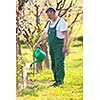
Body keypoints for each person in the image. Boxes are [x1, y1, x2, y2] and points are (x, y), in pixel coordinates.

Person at [34, 7, 69, 86]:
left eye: (50, 15)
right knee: (53, 63)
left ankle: (60, 81)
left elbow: (66, 34)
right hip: (52, 46)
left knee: (59, 63)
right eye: (48, 16)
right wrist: (38, 42)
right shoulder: (50, 22)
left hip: (59, 46)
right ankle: (56, 80)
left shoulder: (61, 22)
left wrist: (65, 46)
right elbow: (45, 34)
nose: (49, 17)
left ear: (54, 13)